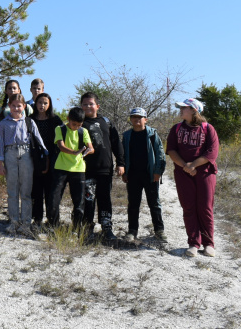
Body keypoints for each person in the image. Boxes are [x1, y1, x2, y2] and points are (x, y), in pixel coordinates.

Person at [166, 98, 220, 257]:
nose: (180, 110)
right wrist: (186, 166)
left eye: (184, 108)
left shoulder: (208, 128)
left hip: (205, 173)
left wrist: (193, 165)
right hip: (183, 173)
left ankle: (208, 244)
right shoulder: (176, 129)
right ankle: (194, 243)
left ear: (194, 110)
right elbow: (171, 150)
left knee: (205, 207)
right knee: (188, 207)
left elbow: (212, 152)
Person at [0, 93, 48, 236]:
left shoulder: (29, 122)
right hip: (10, 154)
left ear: (24, 106)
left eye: (19, 106)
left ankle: (26, 223)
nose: (16, 108)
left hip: (26, 155)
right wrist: (0, 164)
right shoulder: (4, 123)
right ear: (9, 106)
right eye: (13, 106)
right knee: (12, 191)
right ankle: (13, 222)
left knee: (26, 191)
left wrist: (45, 156)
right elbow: (0, 144)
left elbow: (39, 140)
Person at [80, 92, 125, 240]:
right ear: (81, 106)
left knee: (105, 199)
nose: (88, 106)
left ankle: (107, 227)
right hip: (85, 169)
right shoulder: (79, 123)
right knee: (88, 199)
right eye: (85, 104)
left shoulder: (106, 122)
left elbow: (116, 144)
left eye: (91, 104)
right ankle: (87, 227)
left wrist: (120, 163)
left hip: (105, 168)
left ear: (97, 106)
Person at [121, 108, 166, 242]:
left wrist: (158, 171)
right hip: (133, 175)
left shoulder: (152, 134)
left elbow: (160, 153)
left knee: (154, 203)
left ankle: (159, 230)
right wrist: (124, 172)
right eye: (134, 117)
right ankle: (132, 231)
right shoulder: (127, 136)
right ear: (130, 119)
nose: (136, 119)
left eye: (139, 117)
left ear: (145, 119)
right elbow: (122, 155)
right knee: (133, 204)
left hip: (150, 175)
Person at [48, 107, 94, 229]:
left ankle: (76, 228)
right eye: (74, 124)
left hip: (78, 169)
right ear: (68, 119)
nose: (76, 127)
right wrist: (74, 152)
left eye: (79, 125)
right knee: (54, 199)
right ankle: (54, 227)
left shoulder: (83, 131)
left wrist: (88, 150)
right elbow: (61, 146)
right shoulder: (60, 129)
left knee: (79, 202)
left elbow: (91, 147)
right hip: (61, 168)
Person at [31, 92, 63, 226]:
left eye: (45, 103)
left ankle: (52, 220)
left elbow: (63, 136)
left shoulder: (55, 120)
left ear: (49, 105)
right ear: (35, 104)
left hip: (52, 157)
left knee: (51, 191)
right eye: (40, 102)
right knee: (36, 190)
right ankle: (37, 218)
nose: (42, 105)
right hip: (34, 157)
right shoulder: (30, 119)